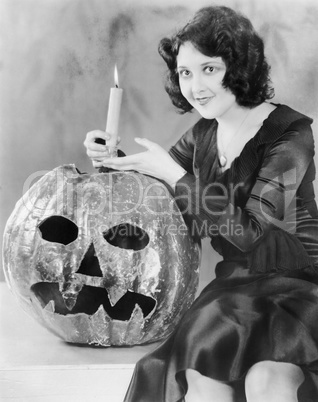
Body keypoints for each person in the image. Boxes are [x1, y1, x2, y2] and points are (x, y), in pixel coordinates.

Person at [84, 6, 318, 402]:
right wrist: (111, 157)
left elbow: (252, 235)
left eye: (209, 69)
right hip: (234, 288)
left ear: (239, 66)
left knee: (267, 381)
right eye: (185, 73)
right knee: (202, 381)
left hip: (299, 286)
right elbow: (157, 197)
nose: (195, 86)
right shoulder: (202, 136)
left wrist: (174, 175)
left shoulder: (291, 134)